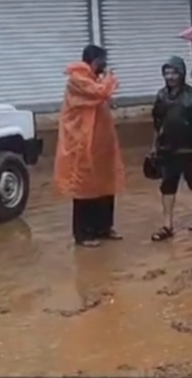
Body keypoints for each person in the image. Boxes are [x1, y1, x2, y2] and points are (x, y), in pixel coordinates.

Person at [54, 45, 125, 248]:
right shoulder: (78, 80)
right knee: (85, 189)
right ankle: (83, 234)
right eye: (103, 60)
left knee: (105, 185)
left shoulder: (92, 79)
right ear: (93, 60)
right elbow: (99, 92)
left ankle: (104, 227)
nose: (105, 65)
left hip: (101, 146)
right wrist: (110, 79)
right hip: (82, 145)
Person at [148, 56, 192, 241]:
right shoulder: (161, 95)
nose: (170, 76)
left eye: (174, 72)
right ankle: (167, 225)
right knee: (167, 186)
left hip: (189, 148)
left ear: (182, 74)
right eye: (167, 72)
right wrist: (154, 146)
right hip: (167, 149)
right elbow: (157, 123)